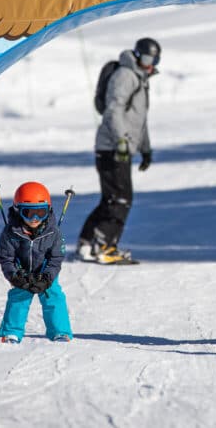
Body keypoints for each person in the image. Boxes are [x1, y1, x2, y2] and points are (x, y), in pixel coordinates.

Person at [78, 37, 160, 264]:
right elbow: (113, 111)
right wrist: (122, 142)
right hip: (113, 148)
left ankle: (87, 243)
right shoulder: (126, 75)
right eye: (146, 58)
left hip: (116, 147)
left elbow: (138, 120)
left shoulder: (139, 79)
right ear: (137, 55)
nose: (150, 63)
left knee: (111, 198)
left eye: (154, 59)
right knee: (121, 199)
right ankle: (104, 246)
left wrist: (145, 148)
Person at [0, 181, 73, 343]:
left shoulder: (53, 232)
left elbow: (56, 258)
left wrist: (47, 278)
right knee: (19, 296)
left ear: (48, 211)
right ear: (18, 211)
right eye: (28, 213)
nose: (35, 218)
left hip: (45, 273)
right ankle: (11, 333)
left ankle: (60, 331)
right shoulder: (11, 233)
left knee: (53, 295)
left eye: (41, 212)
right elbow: (6, 258)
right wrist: (15, 276)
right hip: (22, 272)